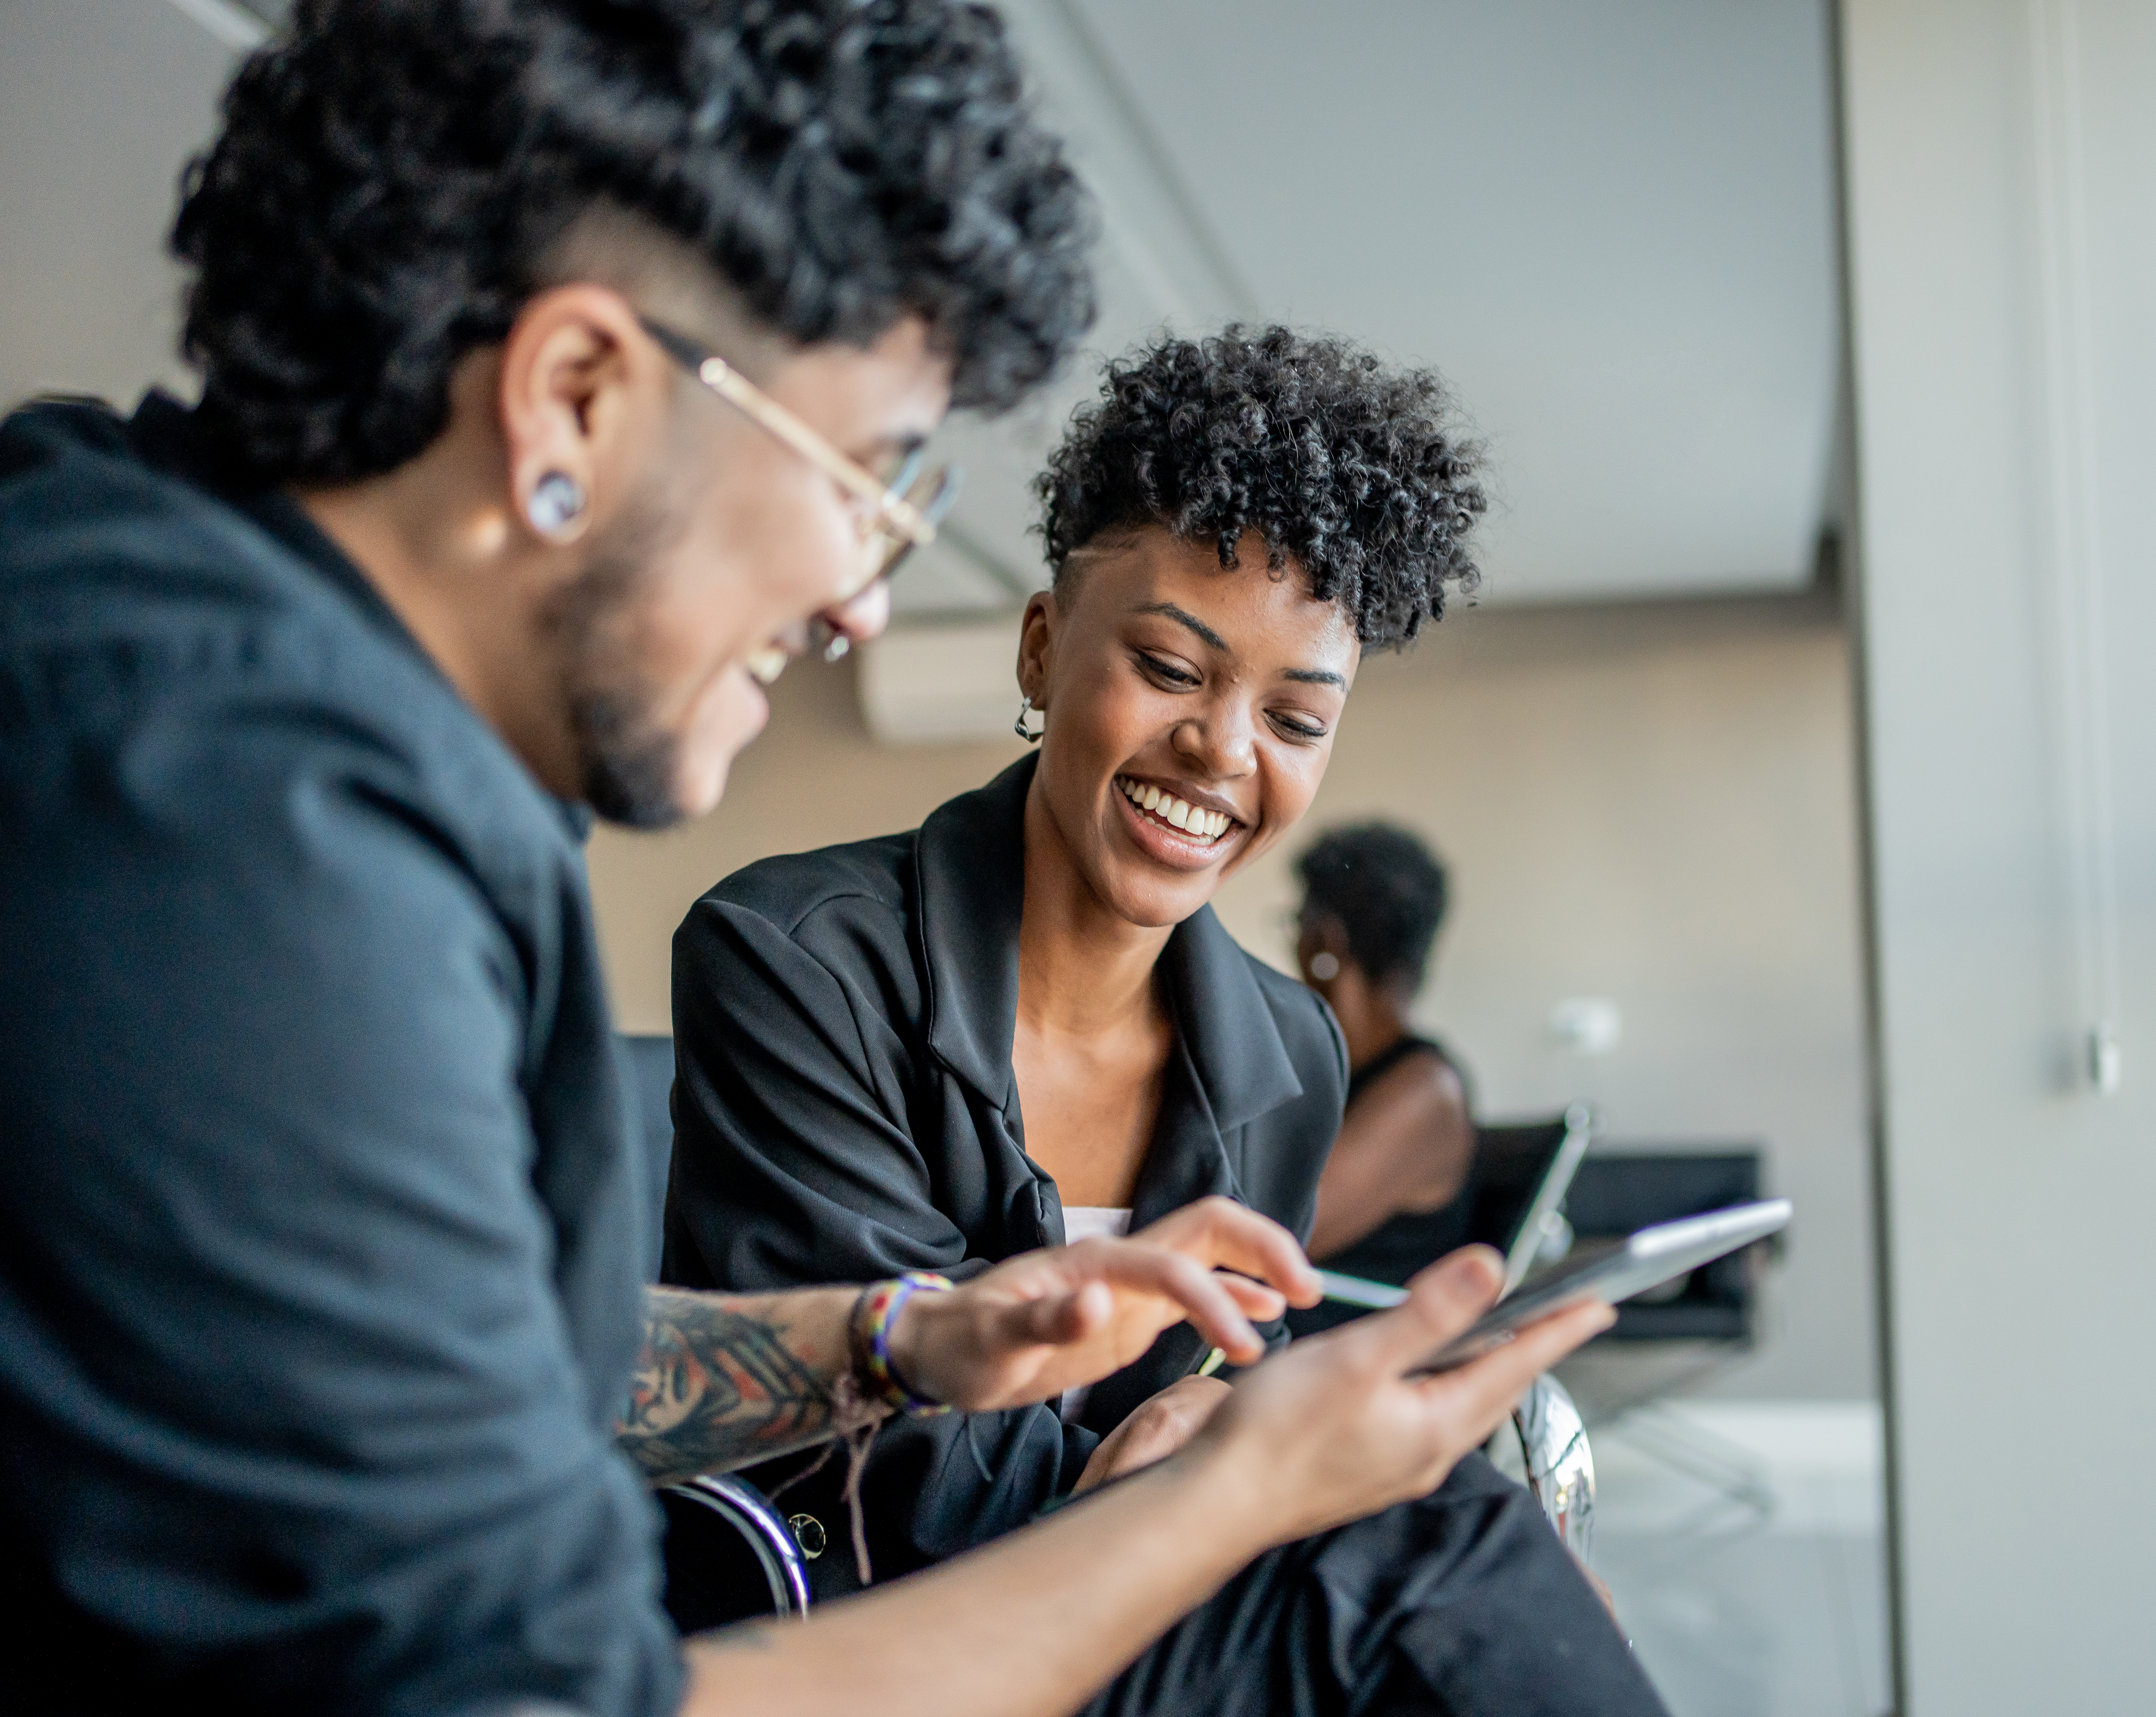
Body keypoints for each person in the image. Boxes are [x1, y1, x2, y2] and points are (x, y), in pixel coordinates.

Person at [0, 4, 1647, 1715]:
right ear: (573, 396)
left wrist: (893, 1337)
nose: (861, 598)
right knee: (1422, 1570)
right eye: (861, 477)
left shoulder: (206, 650)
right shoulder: (227, 834)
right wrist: (1239, 1488)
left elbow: (479, 1361)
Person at [660, 327, 1655, 1702]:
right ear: (1039, 645)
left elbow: (1228, 1379)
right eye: (1174, 668)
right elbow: (891, 1468)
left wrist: (1232, 1424)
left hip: (1143, 1607)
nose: (1222, 750)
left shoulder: (1288, 1053)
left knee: (1470, 1558)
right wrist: (1226, 1469)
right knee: (1445, 1563)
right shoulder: (793, 958)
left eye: (1294, 721)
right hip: (890, 1629)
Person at [1289, 823, 1480, 1318]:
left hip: (1337, 1363)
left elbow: (1279, 1237)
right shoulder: (1345, 1072)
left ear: (1324, 941)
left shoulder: (1425, 1090)